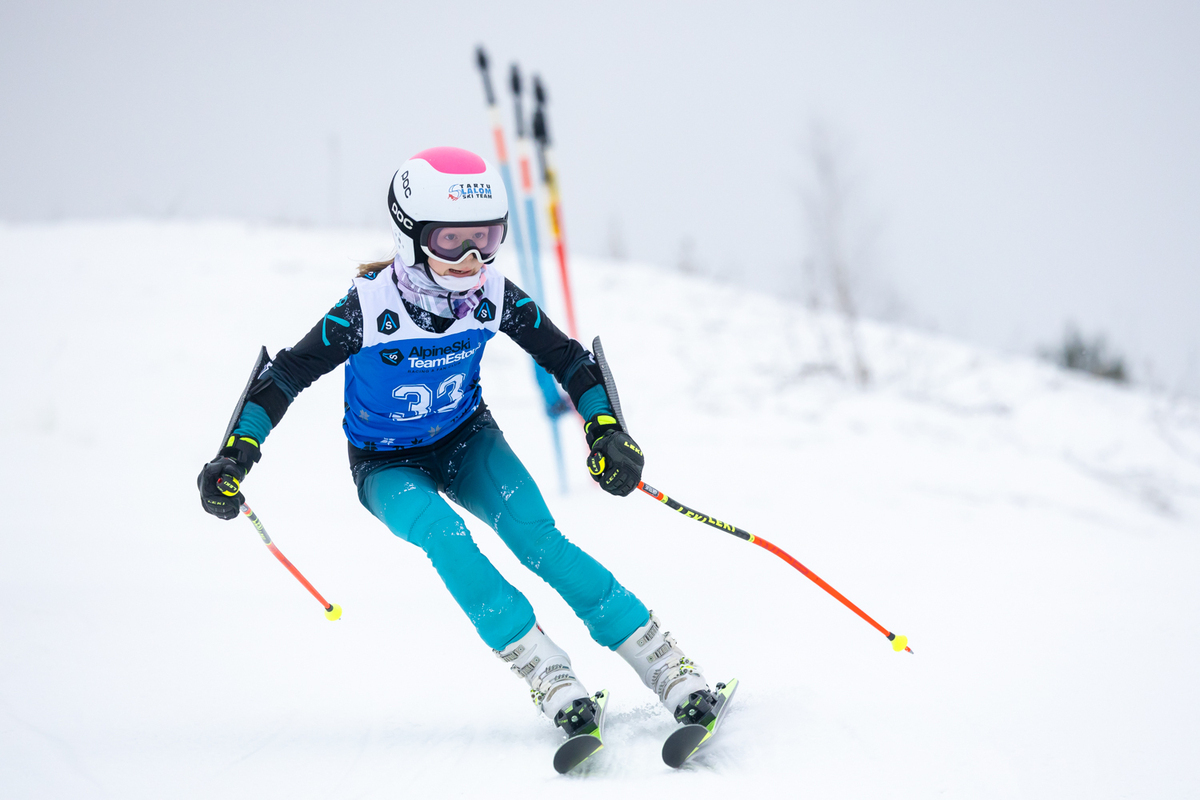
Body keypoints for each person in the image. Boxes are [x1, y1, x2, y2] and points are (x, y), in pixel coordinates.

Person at [196, 146, 715, 745]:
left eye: (485, 239)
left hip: (467, 441)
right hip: (385, 465)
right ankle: (547, 674)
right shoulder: (367, 308)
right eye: (451, 241)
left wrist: (605, 430)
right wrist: (236, 454)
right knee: (446, 537)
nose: (472, 260)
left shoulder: (495, 293)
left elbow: (568, 359)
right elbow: (286, 376)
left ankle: (667, 665)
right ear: (411, 236)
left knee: (537, 539)